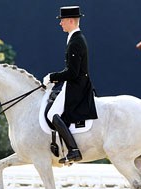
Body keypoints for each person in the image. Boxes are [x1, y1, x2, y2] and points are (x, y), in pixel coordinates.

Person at [43, 6, 98, 164]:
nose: (60, 23)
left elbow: (72, 73)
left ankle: (73, 150)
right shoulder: (75, 38)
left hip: (76, 86)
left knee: (52, 114)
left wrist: (52, 77)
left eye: (62, 21)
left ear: (71, 21)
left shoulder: (76, 41)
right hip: (75, 83)